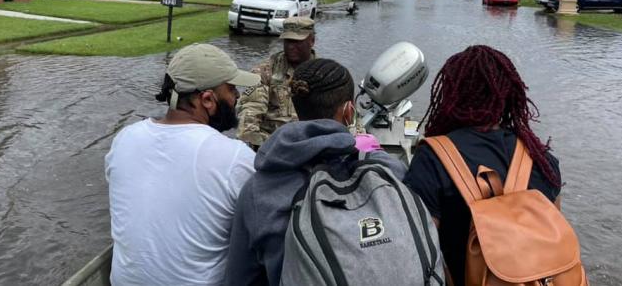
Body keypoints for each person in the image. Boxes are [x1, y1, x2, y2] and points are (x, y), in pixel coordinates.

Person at [225, 58, 406, 286]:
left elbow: (240, 278)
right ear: (349, 111)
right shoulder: (388, 173)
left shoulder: (257, 191)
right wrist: (366, 146)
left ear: (295, 108)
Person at [404, 45, 562, 286]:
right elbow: (554, 234)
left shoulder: (433, 158)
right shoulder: (540, 158)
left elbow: (416, 248)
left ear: (449, 95)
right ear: (508, 94)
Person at [105, 43, 260, 286]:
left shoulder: (125, 138)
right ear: (207, 99)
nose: (237, 97)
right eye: (231, 89)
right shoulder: (235, 157)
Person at [236, 16, 316, 149]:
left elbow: (340, 112)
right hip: (273, 147)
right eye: (287, 41)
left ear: (312, 41)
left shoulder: (325, 73)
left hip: (312, 145)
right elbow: (249, 115)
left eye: (297, 42)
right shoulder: (265, 71)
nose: (291, 47)